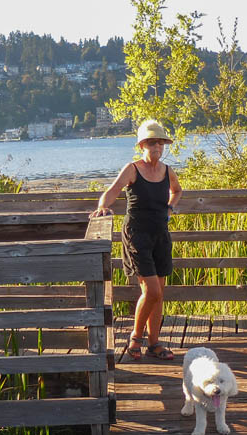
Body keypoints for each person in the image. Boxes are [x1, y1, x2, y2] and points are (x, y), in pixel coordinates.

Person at [90, 119, 182, 360]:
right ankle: (135, 337)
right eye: (152, 143)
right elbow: (113, 190)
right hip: (136, 235)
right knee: (150, 290)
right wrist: (102, 207)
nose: (157, 148)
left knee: (159, 292)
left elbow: (177, 190)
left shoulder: (166, 170)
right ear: (142, 144)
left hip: (160, 235)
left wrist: (170, 208)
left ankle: (154, 343)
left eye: (161, 143)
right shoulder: (133, 168)